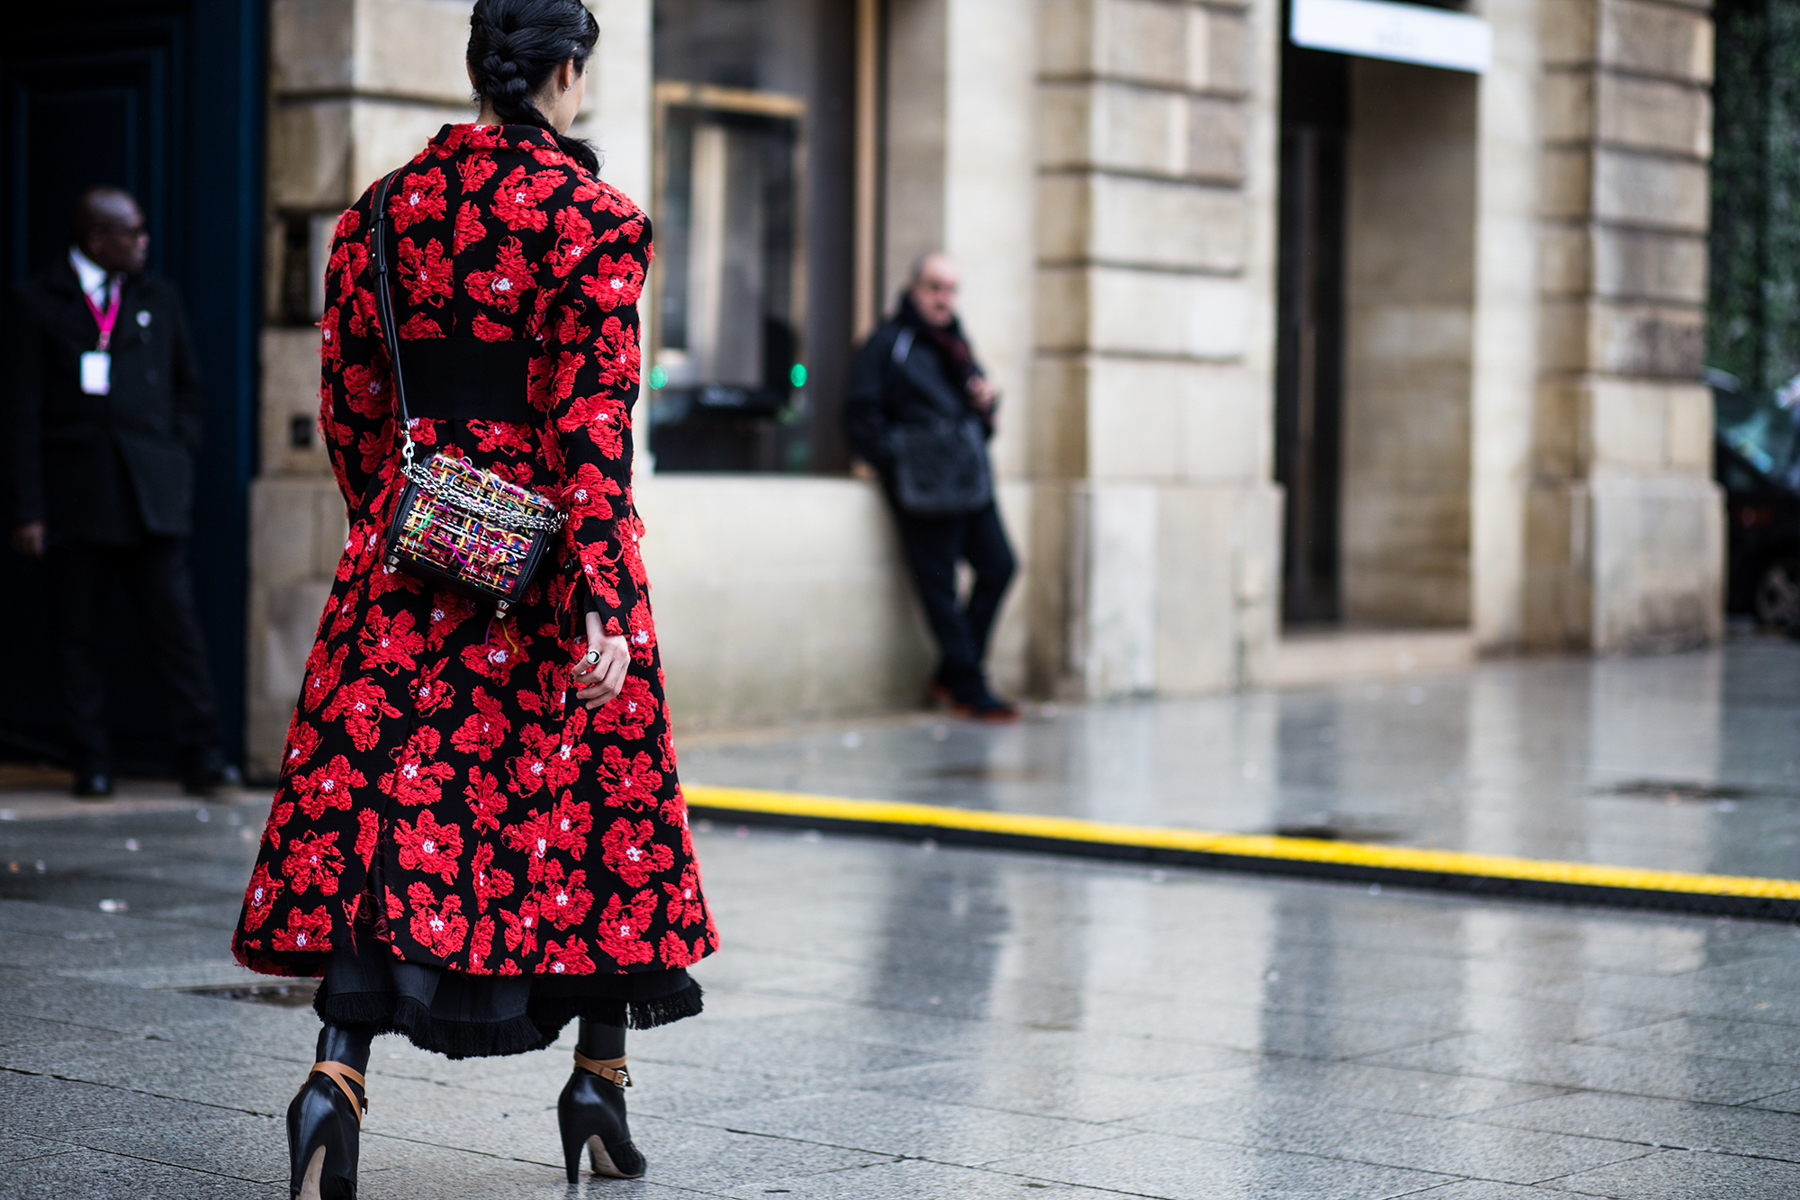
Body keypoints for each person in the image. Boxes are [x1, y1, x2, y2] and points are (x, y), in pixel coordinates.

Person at [227, 3, 719, 1195]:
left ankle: (331, 1086)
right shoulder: (590, 218)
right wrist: (600, 596)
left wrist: (407, 522)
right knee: (595, 821)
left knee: (383, 827)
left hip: (407, 566)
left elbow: (349, 402)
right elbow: (595, 427)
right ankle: (599, 1085)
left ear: (472, 70)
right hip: (555, 581)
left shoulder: (380, 215)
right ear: (566, 72)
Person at [1, 186, 237, 798]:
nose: (143, 242)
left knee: (176, 630)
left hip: (151, 495)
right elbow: (20, 413)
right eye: (130, 233)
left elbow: (190, 387)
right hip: (75, 497)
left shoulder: (157, 296)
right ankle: (92, 759)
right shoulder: (35, 302)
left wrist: (178, 454)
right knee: (76, 634)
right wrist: (27, 509)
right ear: (94, 239)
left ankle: (203, 754)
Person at [845, 252, 1019, 720]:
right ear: (914, 289)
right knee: (939, 586)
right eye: (935, 288)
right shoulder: (887, 343)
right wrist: (903, 459)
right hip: (922, 486)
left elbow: (979, 420)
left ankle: (954, 673)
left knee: (1000, 565)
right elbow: (859, 420)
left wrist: (985, 403)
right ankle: (968, 683)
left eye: (951, 289)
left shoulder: (956, 345)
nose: (944, 299)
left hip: (968, 478)